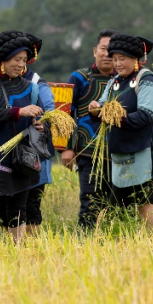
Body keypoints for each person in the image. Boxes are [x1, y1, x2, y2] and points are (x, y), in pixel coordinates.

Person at [0, 31, 48, 243]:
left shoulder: (32, 88)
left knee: (18, 212)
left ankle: (18, 258)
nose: (21, 64)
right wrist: (18, 112)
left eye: (24, 60)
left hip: (21, 160)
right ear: (3, 60)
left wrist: (41, 126)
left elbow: (40, 118)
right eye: (16, 60)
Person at [99, 34, 153, 228]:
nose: (118, 64)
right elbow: (102, 105)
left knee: (144, 202)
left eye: (123, 59)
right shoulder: (115, 82)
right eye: (115, 59)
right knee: (116, 204)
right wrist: (96, 108)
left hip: (144, 148)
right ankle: (113, 241)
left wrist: (117, 117)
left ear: (136, 59)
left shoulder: (147, 80)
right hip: (121, 149)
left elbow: (145, 115)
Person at [61, 29, 117, 228]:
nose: (108, 54)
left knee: (116, 202)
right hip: (87, 151)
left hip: (119, 151)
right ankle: (86, 243)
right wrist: (67, 148)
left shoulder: (125, 80)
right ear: (95, 51)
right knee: (90, 199)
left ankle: (114, 242)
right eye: (104, 48)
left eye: (113, 50)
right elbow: (66, 114)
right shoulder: (80, 77)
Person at [23, 72, 56, 236]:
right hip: (7, 153)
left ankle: (31, 248)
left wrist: (42, 122)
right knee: (7, 205)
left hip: (34, 153)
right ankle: (11, 246)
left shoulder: (37, 84)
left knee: (31, 204)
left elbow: (50, 113)